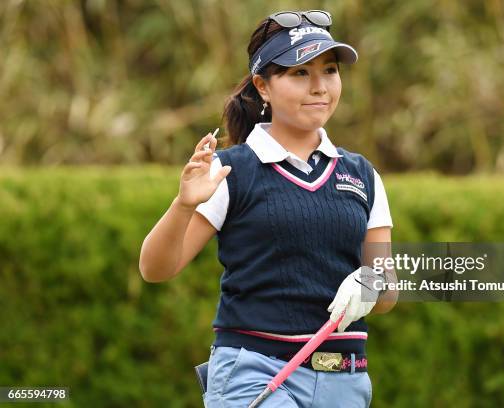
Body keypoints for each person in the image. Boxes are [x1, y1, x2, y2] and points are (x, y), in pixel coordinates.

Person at [139, 9, 397, 407]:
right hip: (255, 375)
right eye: (300, 73)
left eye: (329, 71)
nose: (320, 87)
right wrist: (183, 205)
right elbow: (156, 269)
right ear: (263, 86)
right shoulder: (232, 170)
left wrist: (372, 283)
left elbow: (386, 291)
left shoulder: (362, 175)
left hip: (344, 380)